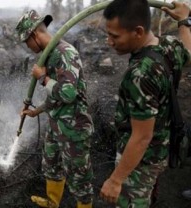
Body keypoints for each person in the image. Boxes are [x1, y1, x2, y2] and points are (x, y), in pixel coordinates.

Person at [99, 0, 191, 207]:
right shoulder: (168, 45)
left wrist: (116, 180)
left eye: (114, 36)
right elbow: (189, 54)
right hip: (161, 148)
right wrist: (184, 22)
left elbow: (141, 137)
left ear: (138, 32)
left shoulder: (140, 74)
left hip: (141, 162)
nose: (109, 42)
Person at [16, 10, 94, 208]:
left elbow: (68, 94)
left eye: (27, 42)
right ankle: (52, 202)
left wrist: (43, 78)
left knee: (79, 179)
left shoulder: (64, 52)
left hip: (74, 129)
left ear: (33, 34)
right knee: (51, 165)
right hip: (57, 124)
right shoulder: (49, 55)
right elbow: (56, 96)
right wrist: (37, 111)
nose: (28, 47)